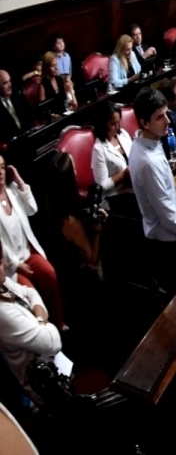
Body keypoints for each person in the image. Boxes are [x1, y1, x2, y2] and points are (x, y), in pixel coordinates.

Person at [127, 88, 176, 293]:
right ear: (144, 123)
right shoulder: (147, 161)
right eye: (160, 117)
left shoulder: (146, 143)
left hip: (172, 237)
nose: (167, 120)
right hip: (170, 246)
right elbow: (167, 215)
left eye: (166, 113)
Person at [0, 155, 62, 329]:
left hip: (29, 253)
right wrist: (16, 264)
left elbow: (32, 209)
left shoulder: (12, 190)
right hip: (12, 265)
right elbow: (0, 245)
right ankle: (43, 333)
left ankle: (59, 321)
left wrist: (20, 183)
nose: (0, 172)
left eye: (3, 167)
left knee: (50, 274)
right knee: (31, 296)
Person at [0, 239, 62, 399]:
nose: (5, 265)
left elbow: (29, 292)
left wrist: (40, 321)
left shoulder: (3, 285)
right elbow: (53, 343)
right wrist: (42, 319)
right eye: (0, 263)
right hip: (44, 389)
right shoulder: (2, 313)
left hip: (50, 364)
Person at [91, 101, 133, 208]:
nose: (118, 127)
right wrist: (123, 174)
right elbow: (101, 186)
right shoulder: (99, 149)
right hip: (115, 198)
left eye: (119, 122)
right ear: (103, 124)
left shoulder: (123, 134)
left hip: (133, 187)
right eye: (113, 124)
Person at [0, 71, 33, 144]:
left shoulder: (16, 94)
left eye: (10, 81)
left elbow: (28, 115)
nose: (10, 85)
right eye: (5, 83)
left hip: (28, 138)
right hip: (10, 146)